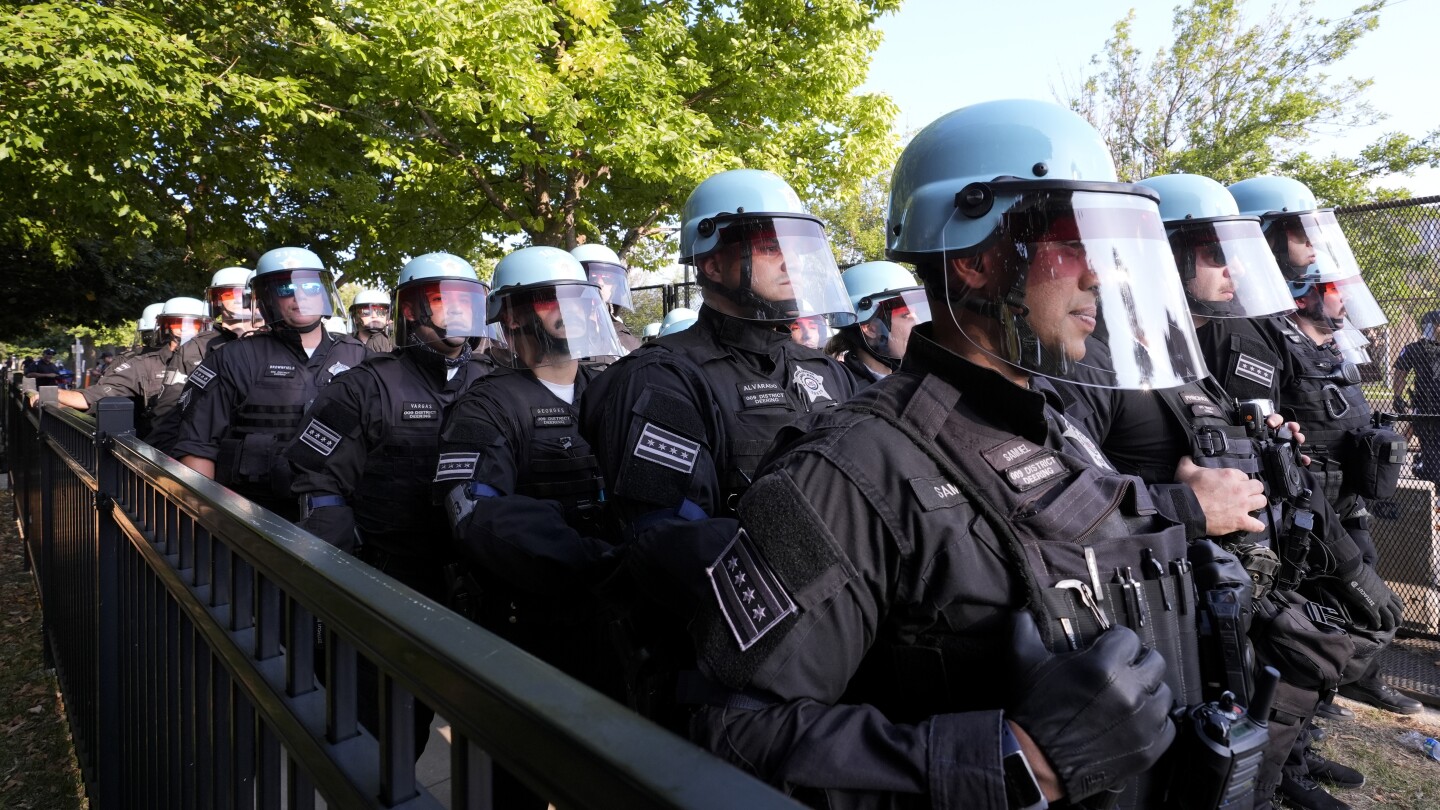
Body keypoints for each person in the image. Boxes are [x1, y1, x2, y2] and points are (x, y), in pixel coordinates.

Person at [673, 100, 1255, 808]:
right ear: (980, 263)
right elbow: (730, 731)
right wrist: (1015, 763)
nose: (1098, 276)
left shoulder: (1059, 420)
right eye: (1072, 245)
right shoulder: (849, 471)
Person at [1059, 172, 1391, 810]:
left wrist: (1260, 441)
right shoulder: (1094, 358)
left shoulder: (1173, 348)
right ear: (1161, 253)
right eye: (1214, 253)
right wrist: (1181, 501)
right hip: (1155, 595)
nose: (1234, 268)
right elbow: (1073, 493)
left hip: (1221, 577)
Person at [577, 168, 858, 726]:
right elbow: (666, 539)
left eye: (794, 247)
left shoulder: (826, 370)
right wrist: (830, 578)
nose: (789, 261)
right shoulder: (663, 377)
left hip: (840, 657)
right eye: (766, 244)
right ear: (710, 261)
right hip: (727, 679)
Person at [433, 246, 626, 807]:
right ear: (513, 315)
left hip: (616, 619)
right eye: (545, 299)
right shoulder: (487, 405)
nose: (563, 309)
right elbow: (475, 509)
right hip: (528, 622)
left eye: (570, 295)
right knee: (511, 776)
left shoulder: (614, 390)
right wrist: (594, 559)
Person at [284, 251, 495, 758]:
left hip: (478, 581)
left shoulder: (493, 380)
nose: (459, 314)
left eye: (468, 301)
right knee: (388, 734)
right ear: (412, 310)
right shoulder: (365, 384)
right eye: (446, 302)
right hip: (391, 581)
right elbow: (315, 477)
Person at [172, 247, 370, 520]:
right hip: (254, 515)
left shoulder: (359, 355)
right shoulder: (234, 358)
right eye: (286, 289)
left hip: (342, 514)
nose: (300, 298)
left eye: (310, 287)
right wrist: (209, 521)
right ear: (266, 299)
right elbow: (198, 448)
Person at [46, 297, 210, 437]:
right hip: (160, 449)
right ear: (164, 325)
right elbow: (97, 395)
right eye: (176, 322)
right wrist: (52, 394)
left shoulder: (217, 359)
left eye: (193, 323)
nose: (183, 328)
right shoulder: (143, 364)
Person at [833, 261, 931, 389]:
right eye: (906, 315)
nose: (918, 323)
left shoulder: (914, 380)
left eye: (916, 313)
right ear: (870, 328)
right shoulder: (846, 392)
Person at [1393, 310, 1440, 483]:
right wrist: (1398, 396)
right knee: (1430, 447)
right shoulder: (1416, 348)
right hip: (1426, 406)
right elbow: (1400, 372)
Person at [571, 243, 642, 352]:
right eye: (591, 277)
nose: (599, 283)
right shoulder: (561, 331)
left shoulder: (623, 335)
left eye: (608, 279)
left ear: (615, 286)